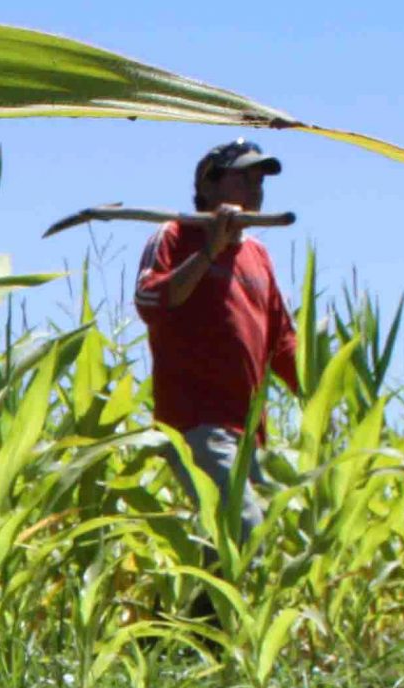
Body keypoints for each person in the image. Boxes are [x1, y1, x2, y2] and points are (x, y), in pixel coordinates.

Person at [134, 139, 301, 543]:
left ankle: (178, 607)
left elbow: (282, 340)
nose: (255, 187)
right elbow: (150, 299)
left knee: (263, 541)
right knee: (245, 532)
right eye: (243, 177)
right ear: (207, 186)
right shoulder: (176, 236)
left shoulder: (258, 256)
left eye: (259, 179)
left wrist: (318, 391)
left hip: (250, 434)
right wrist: (211, 249)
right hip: (197, 424)